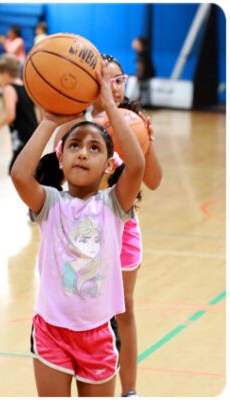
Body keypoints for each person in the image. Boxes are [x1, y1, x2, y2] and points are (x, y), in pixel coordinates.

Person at [10, 60, 145, 397]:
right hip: (50, 331)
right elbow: (19, 176)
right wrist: (50, 121)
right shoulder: (50, 204)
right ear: (61, 158)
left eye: (94, 148)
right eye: (74, 146)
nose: (83, 153)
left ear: (109, 166)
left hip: (98, 334)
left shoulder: (114, 206)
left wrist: (110, 106)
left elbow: (138, 163)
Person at [54, 54, 162, 397]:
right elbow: (53, 173)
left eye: (119, 80)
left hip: (122, 227)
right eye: (106, 80)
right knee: (80, 300)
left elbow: (155, 180)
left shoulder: (134, 122)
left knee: (123, 307)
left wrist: (148, 142)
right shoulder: (78, 124)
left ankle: (129, 390)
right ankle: (74, 365)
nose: (113, 87)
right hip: (79, 230)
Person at [0, 54, 38, 174]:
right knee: (28, 171)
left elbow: (10, 115)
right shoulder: (25, 86)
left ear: (6, 74)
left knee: (16, 171)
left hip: (22, 136)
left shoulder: (9, 89)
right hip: (33, 134)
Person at [127, 37, 155, 105]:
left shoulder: (142, 55)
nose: (133, 44)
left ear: (140, 44)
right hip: (146, 75)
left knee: (132, 80)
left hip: (146, 76)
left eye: (136, 43)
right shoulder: (142, 54)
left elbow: (142, 70)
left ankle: (129, 100)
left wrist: (135, 77)